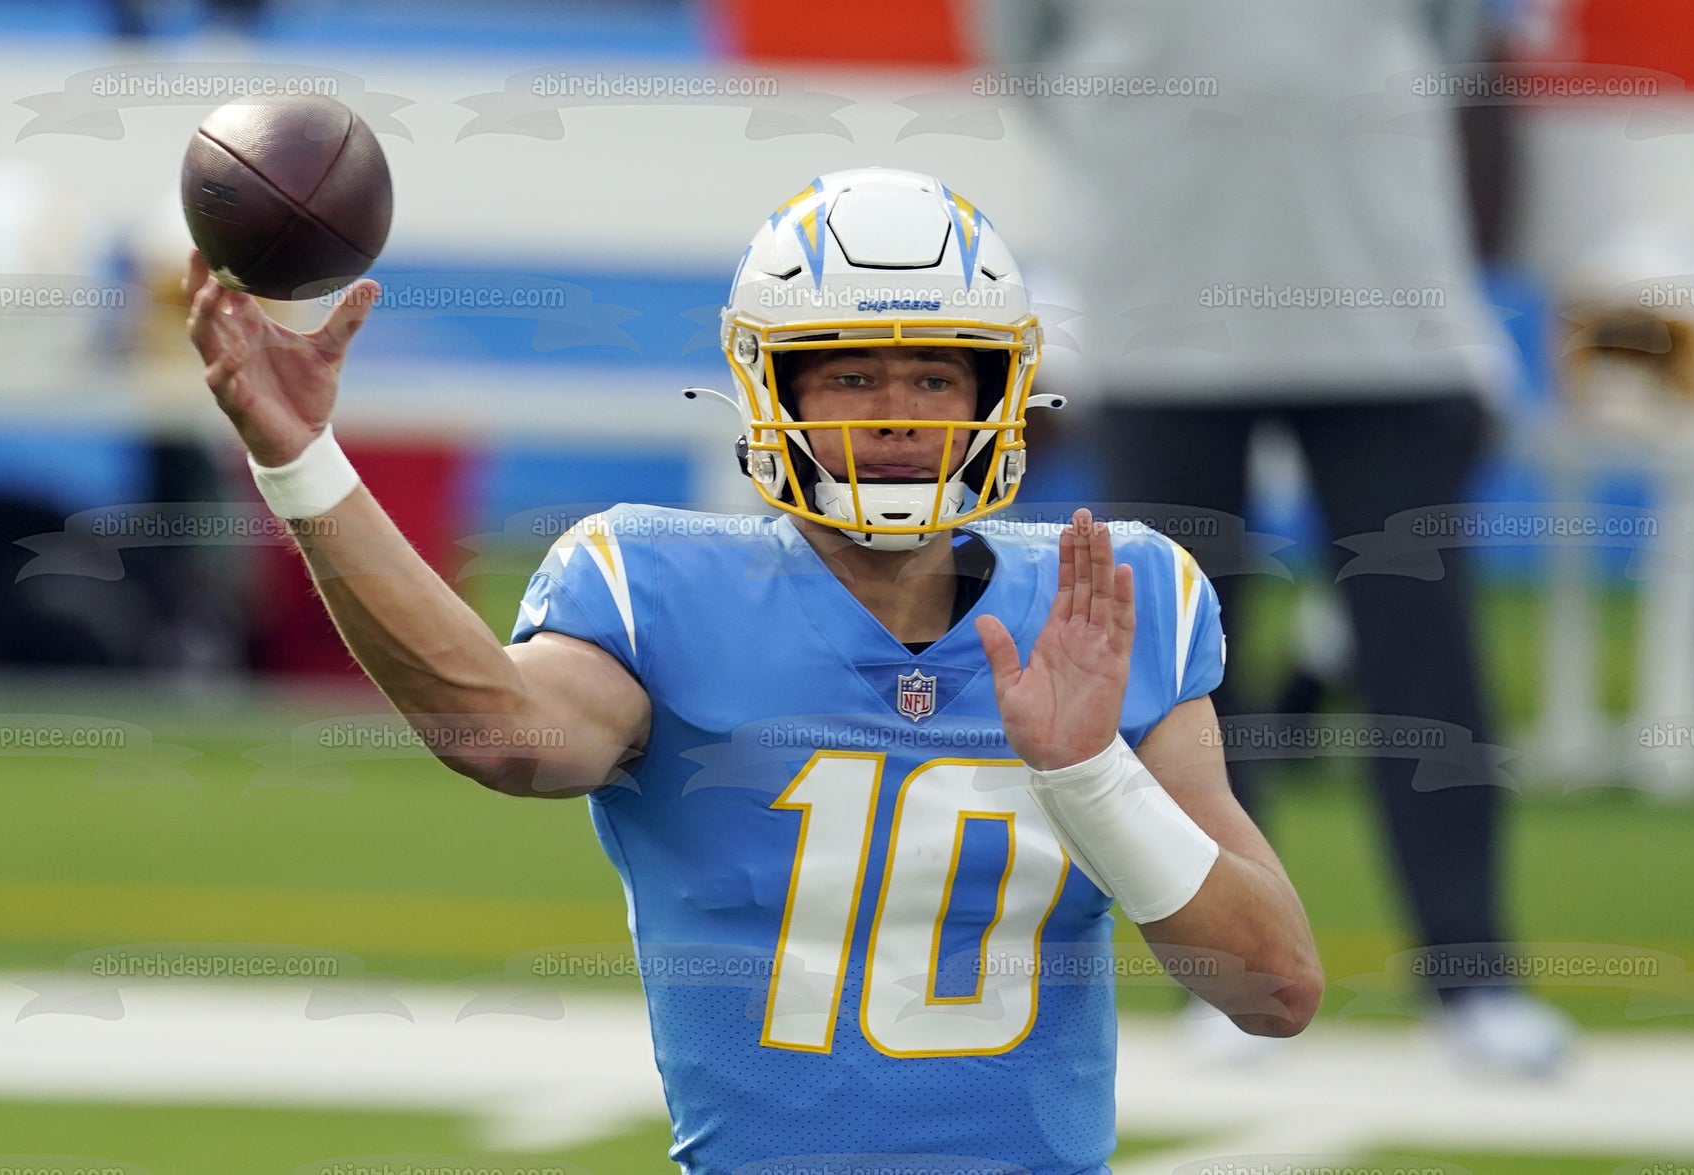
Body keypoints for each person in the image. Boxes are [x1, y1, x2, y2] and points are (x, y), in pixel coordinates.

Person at [184, 166, 1322, 1174]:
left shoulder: (1108, 599)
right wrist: (304, 462)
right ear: (774, 390)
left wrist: (1089, 773)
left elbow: (1274, 988)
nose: (897, 419)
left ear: (995, 395)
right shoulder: (658, 587)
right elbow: (498, 732)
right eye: (850, 379)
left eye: (935, 379)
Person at [1006, 0, 1571, 1074]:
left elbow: (1452, 41)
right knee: (1179, 661)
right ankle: (1226, 977)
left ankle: (1473, 975)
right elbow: (1025, 49)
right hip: (1157, 305)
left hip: (1382, 305)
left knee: (1422, 654)